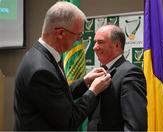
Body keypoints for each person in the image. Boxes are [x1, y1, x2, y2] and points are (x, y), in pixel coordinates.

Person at [14, 1, 111, 131]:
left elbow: (57, 97)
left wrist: (84, 81)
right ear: (60, 33)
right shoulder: (41, 70)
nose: (78, 41)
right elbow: (69, 121)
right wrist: (93, 91)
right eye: (78, 35)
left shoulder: (40, 55)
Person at [88, 25, 147, 131]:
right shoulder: (101, 72)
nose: (94, 47)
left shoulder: (130, 73)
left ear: (116, 45)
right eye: (95, 42)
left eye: (100, 42)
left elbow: (135, 126)